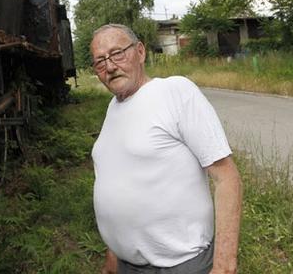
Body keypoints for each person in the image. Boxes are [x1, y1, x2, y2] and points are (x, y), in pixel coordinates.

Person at [90, 24, 242, 274]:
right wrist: (114, 254)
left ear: (140, 52)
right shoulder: (112, 108)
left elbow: (226, 177)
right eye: (100, 61)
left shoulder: (175, 91)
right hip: (127, 266)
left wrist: (224, 265)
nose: (110, 66)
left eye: (118, 53)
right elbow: (116, 184)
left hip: (179, 266)